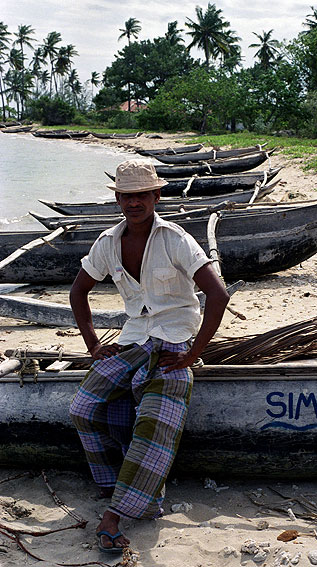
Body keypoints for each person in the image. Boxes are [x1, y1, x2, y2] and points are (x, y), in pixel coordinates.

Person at [69, 159, 230, 554]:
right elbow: (78, 292)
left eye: (141, 194)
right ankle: (115, 482)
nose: (134, 202)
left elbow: (218, 294)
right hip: (134, 339)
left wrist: (194, 352)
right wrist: (92, 344)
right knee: (83, 407)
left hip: (174, 342)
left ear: (156, 196)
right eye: (126, 196)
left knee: (154, 421)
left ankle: (115, 514)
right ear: (119, 201)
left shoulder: (175, 238)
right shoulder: (108, 242)